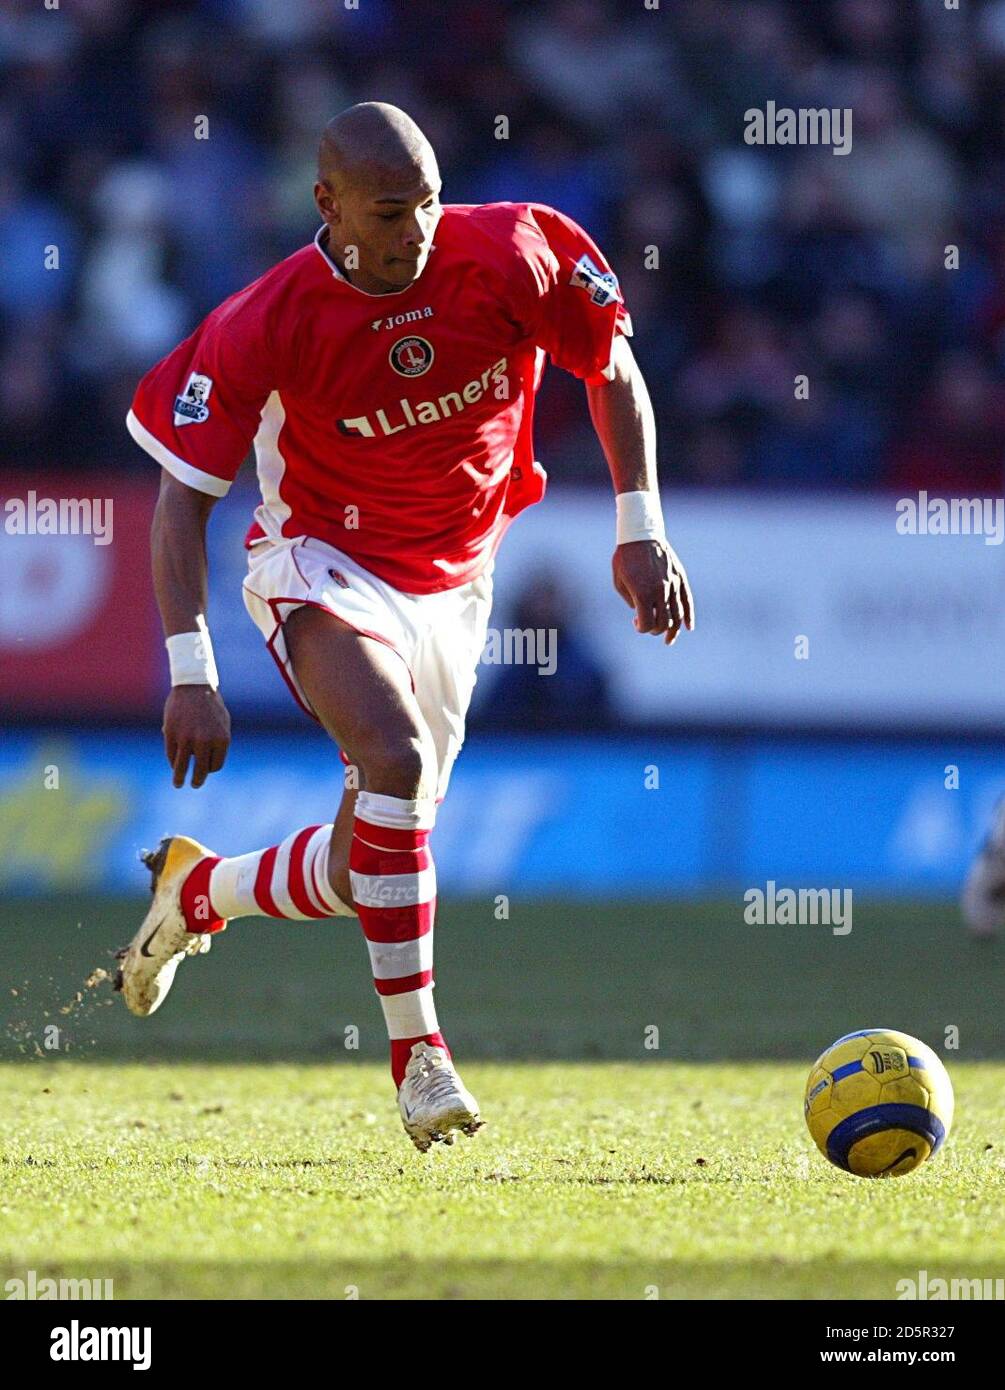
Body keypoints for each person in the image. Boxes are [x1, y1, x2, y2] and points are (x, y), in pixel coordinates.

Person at [115, 102, 694, 1151]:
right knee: (394, 755)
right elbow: (181, 498)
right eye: (390, 212)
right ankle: (420, 1058)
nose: (415, 230)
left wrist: (640, 526)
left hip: (456, 582)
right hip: (320, 563)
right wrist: (189, 668)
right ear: (326, 204)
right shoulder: (264, 319)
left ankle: (199, 891)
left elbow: (610, 370)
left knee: (364, 860)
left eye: (427, 201)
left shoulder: (516, 249)